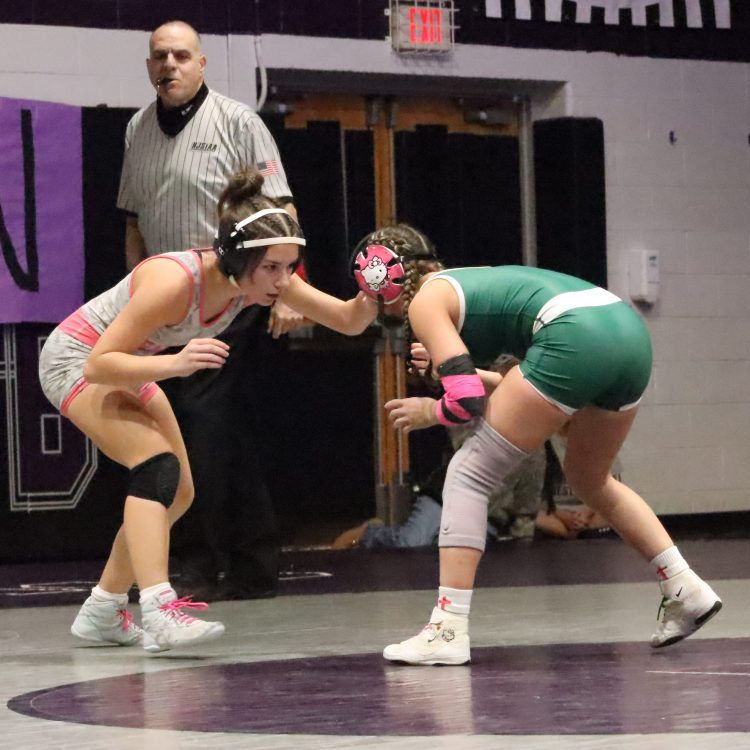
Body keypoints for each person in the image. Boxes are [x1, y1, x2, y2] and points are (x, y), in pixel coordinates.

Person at [335, 223, 722, 665]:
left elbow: (466, 400)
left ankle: (447, 628)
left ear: (381, 282)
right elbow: (523, 388)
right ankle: (684, 585)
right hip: (625, 334)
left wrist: (431, 411)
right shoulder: (464, 287)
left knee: (468, 472)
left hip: (573, 333)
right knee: (590, 478)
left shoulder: (425, 302)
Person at [37, 170, 338, 653]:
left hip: (130, 367)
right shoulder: (174, 281)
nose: (284, 281)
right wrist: (175, 364)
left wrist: (379, 290)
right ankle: (159, 607)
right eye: (273, 268)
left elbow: (349, 319)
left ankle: (102, 610)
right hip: (77, 360)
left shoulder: (260, 280)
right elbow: (98, 365)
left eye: (290, 267)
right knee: (155, 466)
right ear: (239, 259)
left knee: (177, 492)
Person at [116, 20, 302, 600]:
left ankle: (197, 564)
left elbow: (281, 212)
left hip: (228, 294)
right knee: (219, 429)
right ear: (149, 66)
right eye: (159, 56)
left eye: (180, 56)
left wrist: (286, 287)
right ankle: (254, 565)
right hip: (165, 299)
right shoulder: (137, 129)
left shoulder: (238, 122)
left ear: (201, 64)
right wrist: (134, 298)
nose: (168, 65)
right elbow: (134, 223)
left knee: (199, 426)